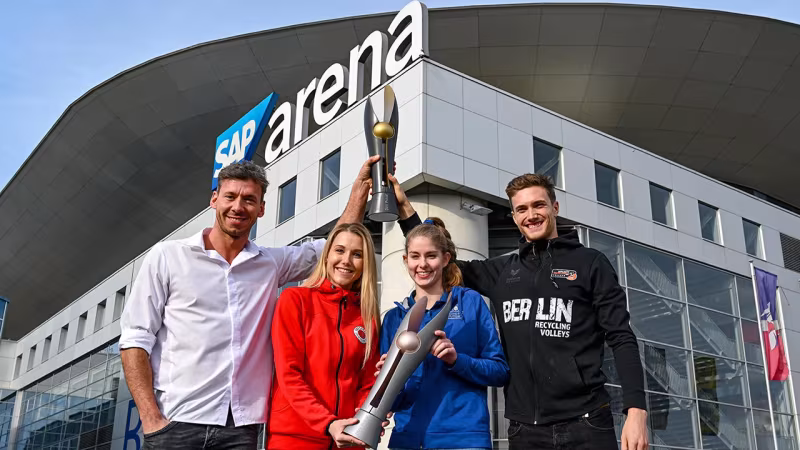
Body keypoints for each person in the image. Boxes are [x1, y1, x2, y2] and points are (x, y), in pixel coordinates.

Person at [119, 156, 379, 450]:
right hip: (177, 421)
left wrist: (360, 193)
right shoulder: (167, 256)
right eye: (230, 196)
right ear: (214, 199)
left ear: (262, 208)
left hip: (242, 428)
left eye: (249, 199)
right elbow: (135, 339)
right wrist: (150, 417)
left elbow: (332, 247)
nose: (238, 207)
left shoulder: (270, 264)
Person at [390, 173, 649, 450]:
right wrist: (404, 207)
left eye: (539, 205)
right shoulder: (503, 272)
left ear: (555, 208)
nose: (531, 215)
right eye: (522, 209)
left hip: (586, 422)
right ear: (514, 216)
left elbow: (621, 336)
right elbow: (432, 255)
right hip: (525, 431)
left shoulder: (590, 263)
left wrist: (636, 410)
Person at [377, 217, 509, 450]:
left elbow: (499, 372)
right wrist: (387, 380)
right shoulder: (394, 318)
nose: (422, 264)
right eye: (415, 256)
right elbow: (393, 402)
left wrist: (456, 360)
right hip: (408, 439)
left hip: (464, 439)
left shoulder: (471, 303)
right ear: (406, 260)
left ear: (446, 258)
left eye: (431, 256)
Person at [268, 222, 384, 449]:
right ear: (327, 255)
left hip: (348, 440)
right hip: (295, 437)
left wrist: (363, 421)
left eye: (357, 254)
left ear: (365, 263)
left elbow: (368, 382)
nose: (346, 261)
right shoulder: (295, 300)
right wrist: (328, 423)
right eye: (339, 250)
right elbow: (289, 374)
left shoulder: (367, 317)